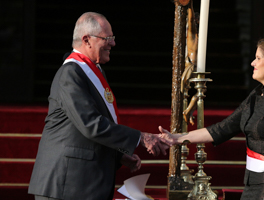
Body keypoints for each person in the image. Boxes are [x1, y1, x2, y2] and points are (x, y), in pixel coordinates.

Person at [28, 12, 170, 200]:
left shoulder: (90, 71)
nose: (113, 43)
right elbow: (91, 124)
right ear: (86, 40)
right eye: (108, 38)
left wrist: (118, 155)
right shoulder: (70, 74)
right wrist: (141, 138)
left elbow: (82, 131)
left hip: (80, 185)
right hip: (66, 185)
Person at [159, 35, 264, 200]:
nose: (253, 63)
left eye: (258, 58)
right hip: (254, 181)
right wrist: (177, 138)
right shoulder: (256, 95)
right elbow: (223, 128)